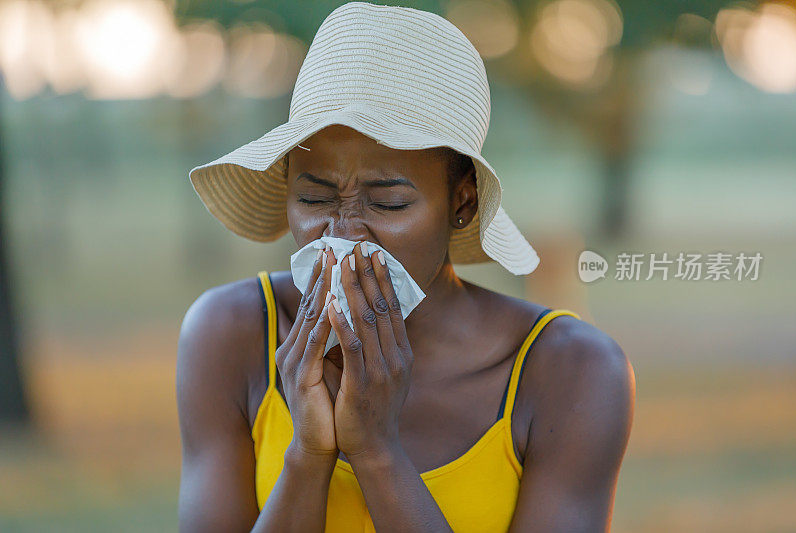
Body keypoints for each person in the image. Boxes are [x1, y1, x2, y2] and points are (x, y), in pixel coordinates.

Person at [177, 3, 634, 532]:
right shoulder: (232, 335)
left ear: (461, 201)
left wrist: (376, 452)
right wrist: (307, 454)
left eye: (388, 203)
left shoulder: (568, 374)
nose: (344, 233)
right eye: (314, 197)